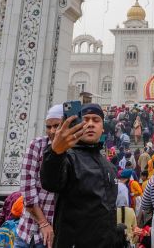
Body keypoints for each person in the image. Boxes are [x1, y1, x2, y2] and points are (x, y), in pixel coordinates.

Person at [41, 103, 119, 247]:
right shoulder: (68, 158)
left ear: (103, 127)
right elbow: (50, 182)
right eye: (85, 119)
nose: (90, 124)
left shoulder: (109, 166)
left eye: (96, 120)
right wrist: (55, 153)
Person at [16, 105, 61, 248]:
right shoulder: (38, 145)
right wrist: (43, 223)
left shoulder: (75, 151)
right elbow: (27, 190)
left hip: (56, 237)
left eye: (57, 126)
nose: (52, 131)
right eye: (49, 127)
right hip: (29, 232)